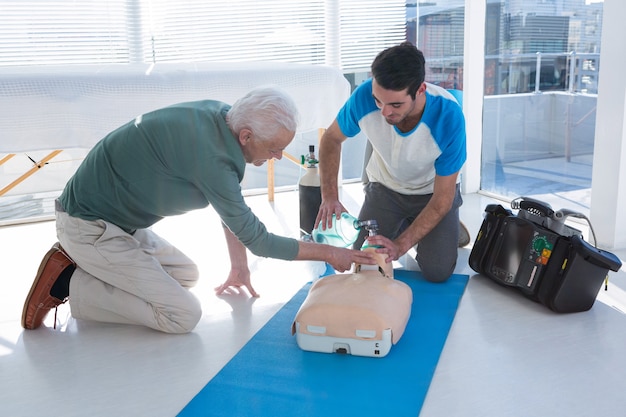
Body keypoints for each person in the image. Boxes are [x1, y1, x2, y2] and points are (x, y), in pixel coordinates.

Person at [21, 86, 377, 334]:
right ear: (247, 136)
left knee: (187, 275)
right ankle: (68, 281)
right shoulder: (214, 161)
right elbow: (260, 241)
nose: (277, 157)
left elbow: (228, 206)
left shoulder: (222, 115)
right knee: (182, 315)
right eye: (273, 148)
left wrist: (238, 268)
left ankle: (94, 268)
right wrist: (332, 252)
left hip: (119, 220)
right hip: (89, 225)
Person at [315, 42, 467, 283]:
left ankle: (443, 227)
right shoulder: (363, 97)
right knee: (361, 261)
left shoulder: (448, 117)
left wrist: (400, 245)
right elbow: (331, 139)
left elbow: (442, 200)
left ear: (420, 90)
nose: (384, 112)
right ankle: (409, 224)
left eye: (395, 105)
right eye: (378, 101)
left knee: (437, 272)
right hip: (385, 189)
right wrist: (330, 196)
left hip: (432, 194)